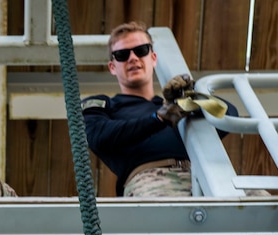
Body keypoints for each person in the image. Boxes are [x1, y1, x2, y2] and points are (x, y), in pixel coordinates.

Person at [82, 21, 228, 197]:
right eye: (122, 54)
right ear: (112, 67)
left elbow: (227, 117)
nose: (133, 58)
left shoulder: (176, 104)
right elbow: (98, 136)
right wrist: (158, 119)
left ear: (153, 58)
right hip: (152, 182)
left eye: (141, 50)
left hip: (206, 176)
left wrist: (192, 95)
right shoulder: (105, 105)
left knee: (259, 204)